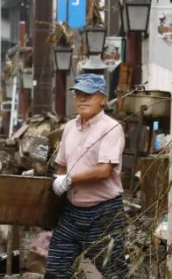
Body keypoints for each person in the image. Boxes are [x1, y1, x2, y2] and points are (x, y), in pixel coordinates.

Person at [46, 73, 127, 278]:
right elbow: (62, 166)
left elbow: (103, 170)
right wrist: (60, 181)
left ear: (102, 99)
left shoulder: (111, 128)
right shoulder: (70, 128)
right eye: (79, 94)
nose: (82, 99)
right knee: (56, 270)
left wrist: (70, 179)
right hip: (72, 212)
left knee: (114, 272)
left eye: (88, 95)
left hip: (104, 213)